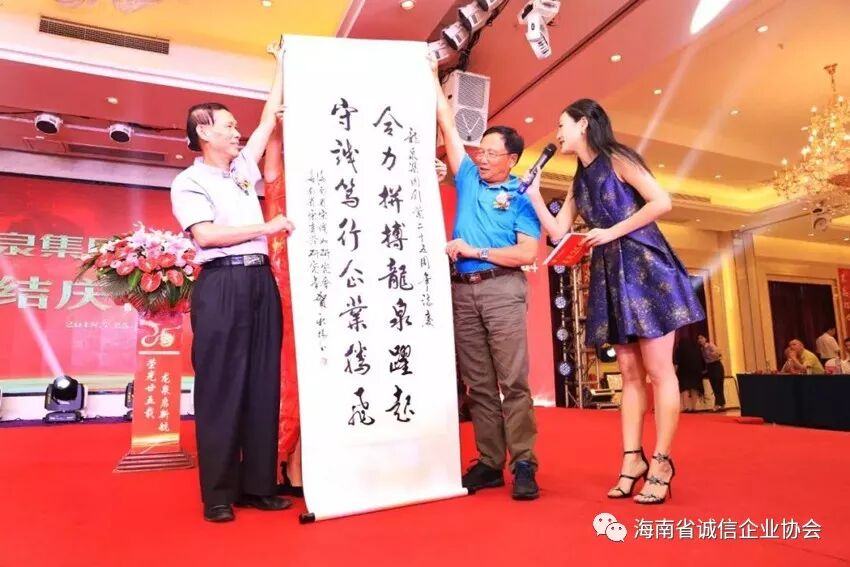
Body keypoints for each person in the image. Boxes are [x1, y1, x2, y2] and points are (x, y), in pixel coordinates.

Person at [523, 99, 704, 504]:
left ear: (584, 124)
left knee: (659, 371)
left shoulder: (619, 158)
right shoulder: (578, 181)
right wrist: (534, 196)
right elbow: (558, 232)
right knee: (628, 372)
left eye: (562, 124)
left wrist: (612, 231)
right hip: (610, 272)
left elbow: (661, 202)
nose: (557, 133)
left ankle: (661, 462)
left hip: (646, 267)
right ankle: (631, 460)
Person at [170, 41, 294, 522]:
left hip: (261, 282)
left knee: (263, 382)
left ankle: (257, 486)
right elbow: (205, 235)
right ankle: (218, 494)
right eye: (228, 126)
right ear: (204, 131)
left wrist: (282, 63)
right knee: (221, 387)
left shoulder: (242, 169)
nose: (238, 132)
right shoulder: (189, 182)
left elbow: (266, 120)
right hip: (221, 285)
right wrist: (267, 226)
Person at [430, 56, 541, 500]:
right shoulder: (469, 178)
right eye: (482, 150)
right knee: (477, 384)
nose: (482, 157)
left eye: (493, 153)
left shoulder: (521, 197)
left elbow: (528, 253)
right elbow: (446, 121)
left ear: (512, 159)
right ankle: (490, 462)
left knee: (513, 382)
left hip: (502, 289)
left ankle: (525, 461)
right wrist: (430, 74)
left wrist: (475, 250)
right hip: (462, 292)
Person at [674, 334, 705, 413]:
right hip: (696, 371)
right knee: (694, 388)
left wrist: (674, 373)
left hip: (684, 371)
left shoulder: (679, 349)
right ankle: (694, 407)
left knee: (684, 389)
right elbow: (701, 360)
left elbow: (676, 362)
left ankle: (686, 407)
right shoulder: (696, 348)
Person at [697, 334, 726, 410]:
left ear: (705, 338)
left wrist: (711, 354)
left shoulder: (710, 345)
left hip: (716, 365)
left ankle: (718, 404)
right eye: (698, 339)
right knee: (714, 386)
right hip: (710, 367)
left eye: (701, 338)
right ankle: (721, 404)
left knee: (718, 385)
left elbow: (719, 354)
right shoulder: (701, 349)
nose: (700, 340)